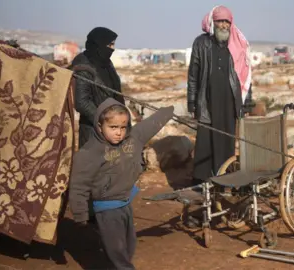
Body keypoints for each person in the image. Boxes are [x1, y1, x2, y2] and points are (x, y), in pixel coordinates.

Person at [69, 98, 174, 269]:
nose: (119, 132)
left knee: (128, 244)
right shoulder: (89, 153)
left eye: (123, 127)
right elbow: (79, 185)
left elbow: (150, 125)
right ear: (99, 126)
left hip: (125, 202)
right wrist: (80, 214)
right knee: (116, 250)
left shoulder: (132, 139)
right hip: (107, 207)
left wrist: (168, 111)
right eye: (113, 127)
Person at [187, 5, 253, 184]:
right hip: (207, 100)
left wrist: (246, 104)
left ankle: (224, 178)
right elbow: (193, 74)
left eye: (226, 21)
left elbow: (245, 76)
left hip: (229, 102)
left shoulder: (238, 44)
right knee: (205, 140)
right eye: (220, 21)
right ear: (212, 22)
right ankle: (202, 181)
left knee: (226, 140)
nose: (223, 25)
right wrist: (192, 103)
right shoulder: (201, 43)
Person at [70, 27, 125, 149]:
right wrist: (104, 122)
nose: (112, 48)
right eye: (110, 45)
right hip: (93, 129)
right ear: (99, 44)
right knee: (95, 165)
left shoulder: (106, 62)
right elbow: (82, 102)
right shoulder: (83, 67)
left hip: (113, 126)